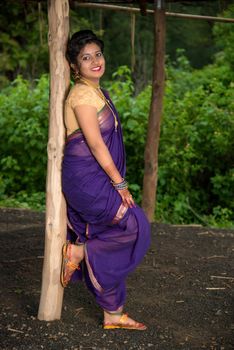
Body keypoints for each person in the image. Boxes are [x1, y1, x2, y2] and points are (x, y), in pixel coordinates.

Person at [61, 29, 150, 330]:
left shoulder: (97, 91)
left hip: (97, 177)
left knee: (117, 232)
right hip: (86, 180)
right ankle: (78, 252)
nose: (95, 61)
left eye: (97, 54)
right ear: (75, 66)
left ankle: (113, 313)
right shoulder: (82, 94)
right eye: (86, 58)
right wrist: (120, 183)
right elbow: (96, 144)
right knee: (133, 224)